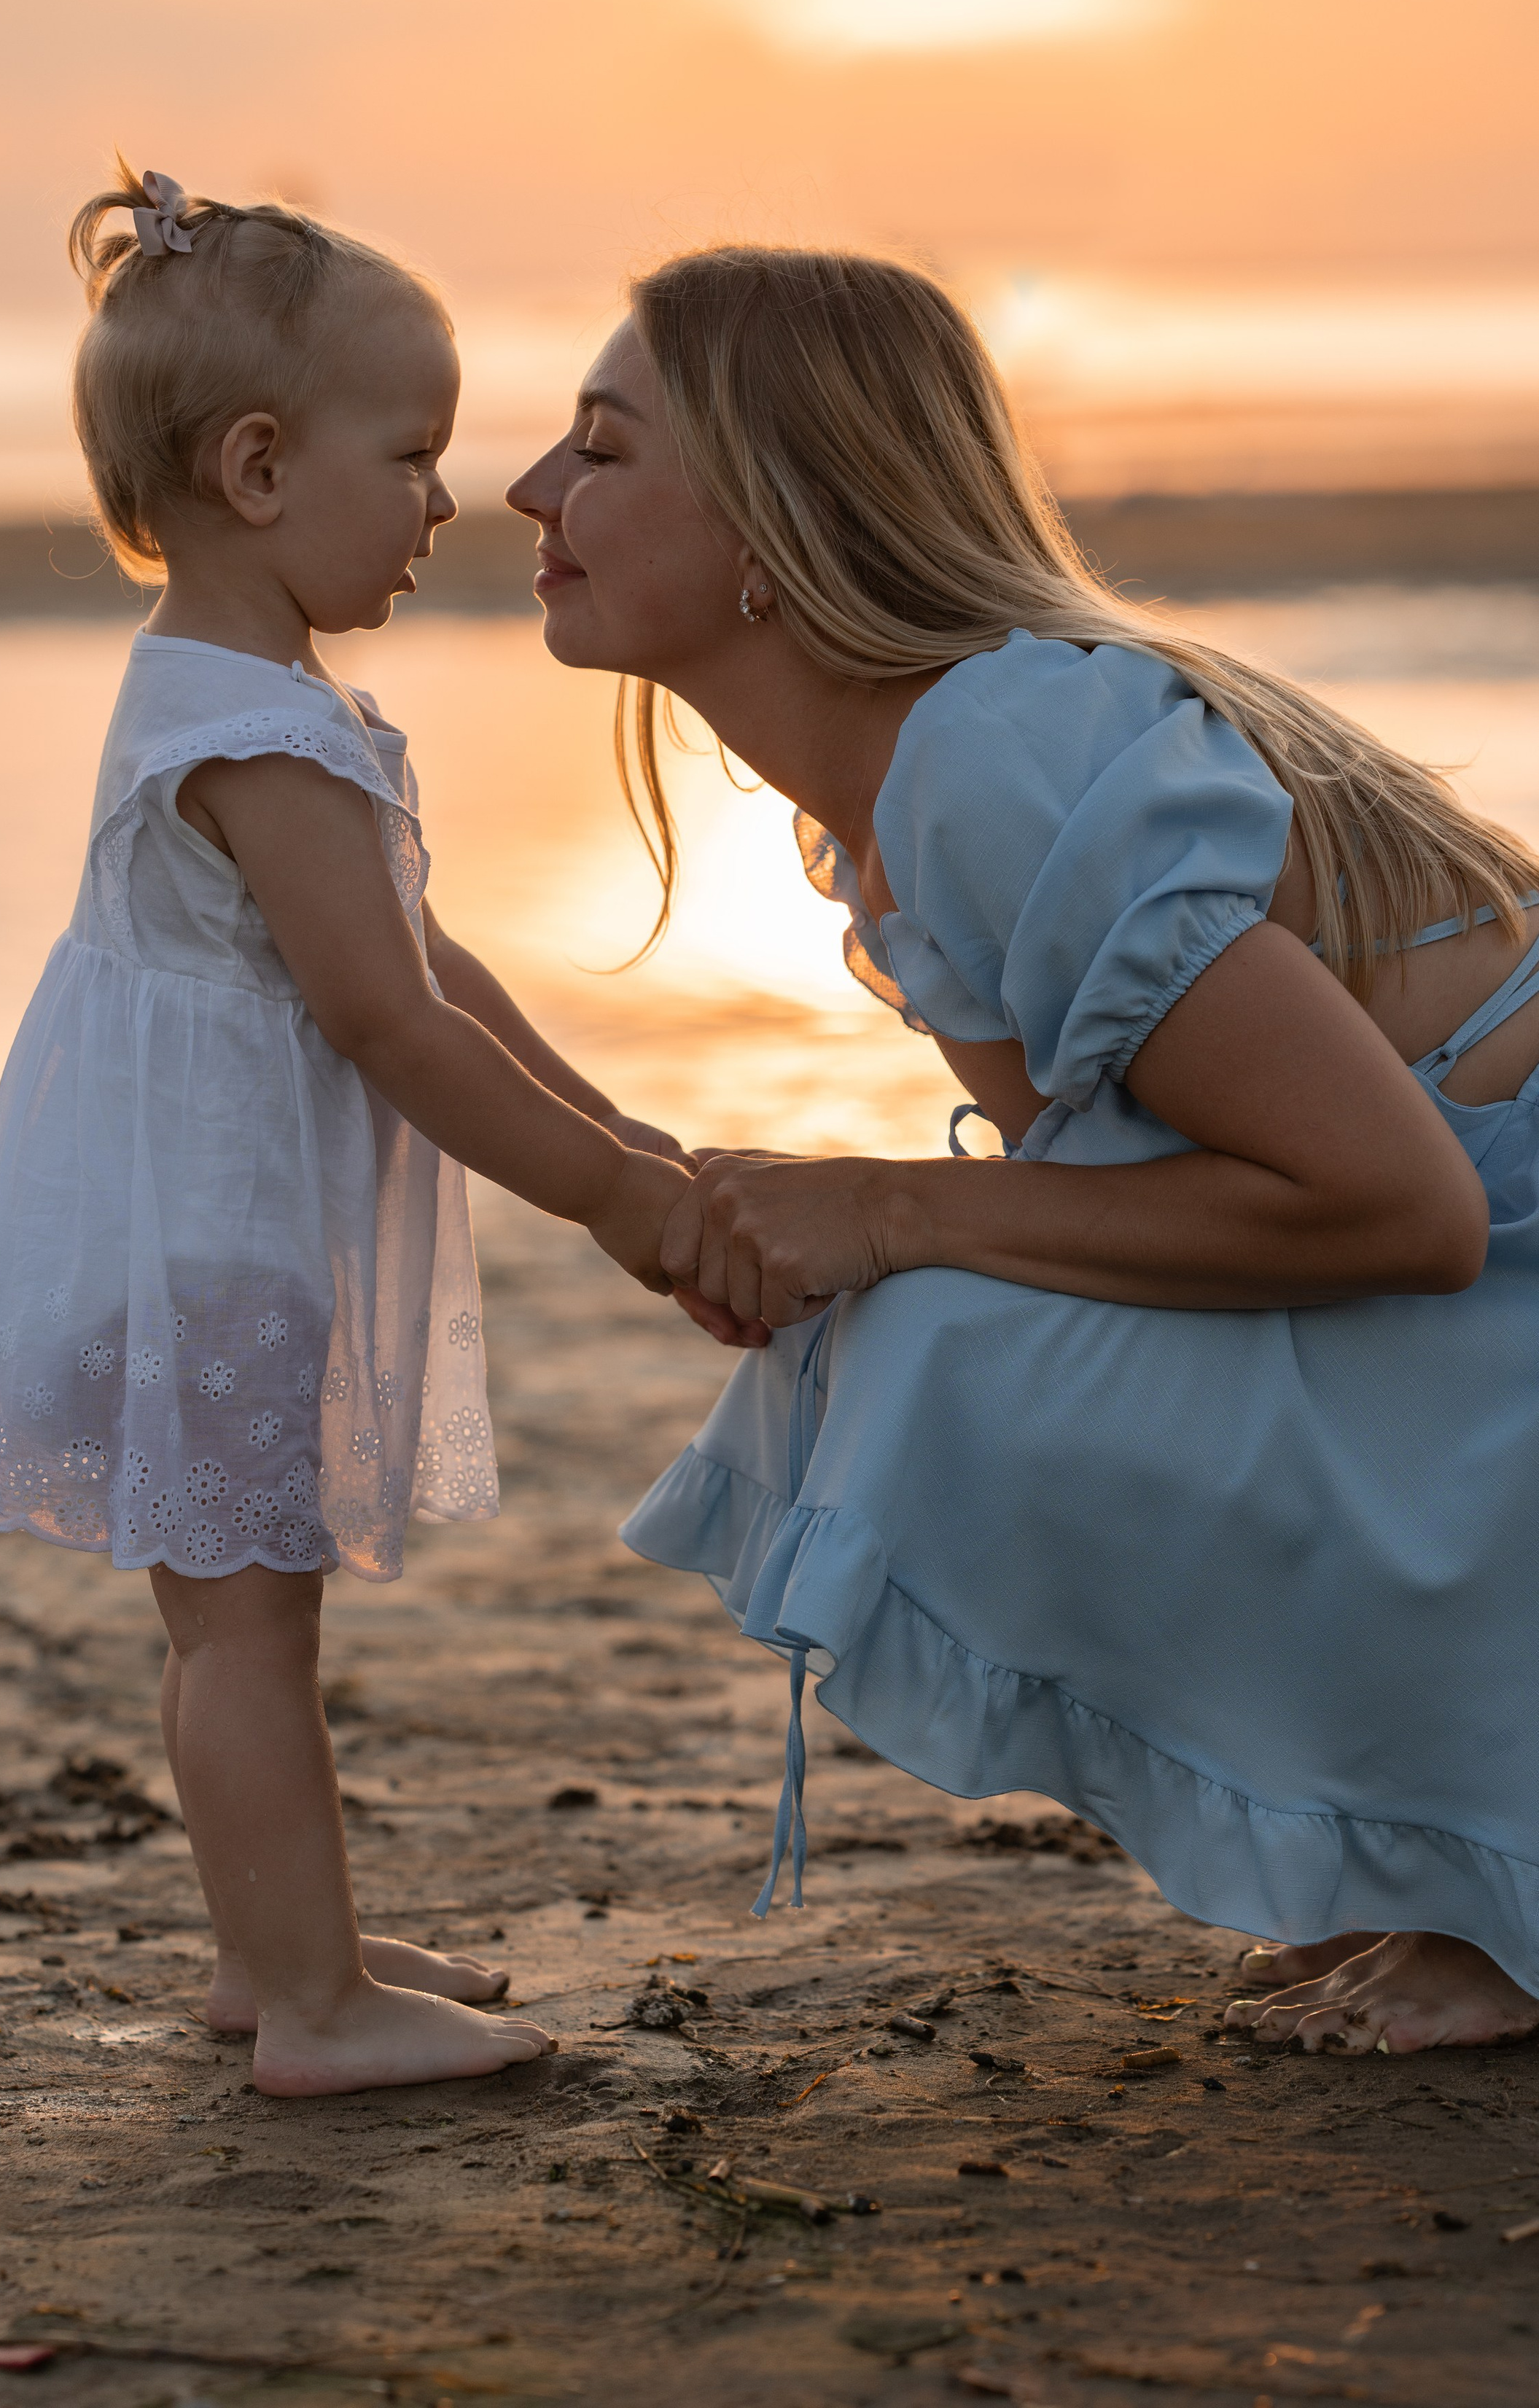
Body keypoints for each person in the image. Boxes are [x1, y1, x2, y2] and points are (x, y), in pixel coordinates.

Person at [507, 243, 1539, 2060]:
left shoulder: (998, 752)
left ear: (772, 514)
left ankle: (1487, 1877)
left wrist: (883, 1206)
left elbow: (1404, 1209)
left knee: (937, 1339)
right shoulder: (901, 784)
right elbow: (1131, 1168)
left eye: (600, 447)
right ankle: (1416, 1864)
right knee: (928, 1313)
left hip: (1499, 1243)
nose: (529, 490)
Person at [0, 165, 691, 2097]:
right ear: (260, 469)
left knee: (250, 1620)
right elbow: (381, 1021)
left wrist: (621, 1124)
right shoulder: (258, 733)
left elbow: (421, 957)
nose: (451, 499)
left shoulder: (232, 688)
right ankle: (316, 2012)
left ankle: (288, 1952)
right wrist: (610, 1201)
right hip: (211, 1242)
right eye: (412, 455)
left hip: (180, 1226)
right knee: (246, 1638)